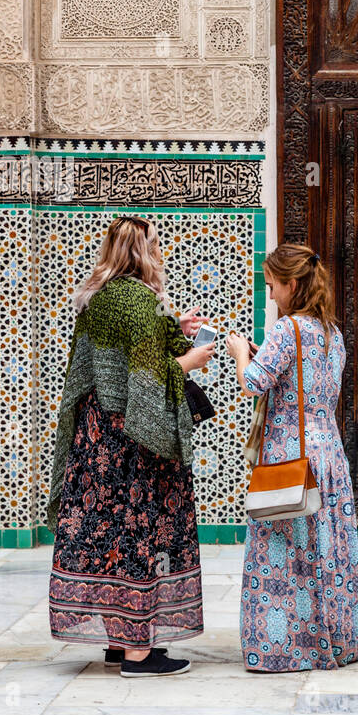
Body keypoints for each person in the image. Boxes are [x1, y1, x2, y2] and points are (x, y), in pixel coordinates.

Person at [46, 216, 214, 678]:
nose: (161, 254)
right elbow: (148, 381)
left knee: (108, 536)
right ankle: (139, 655)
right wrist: (190, 359)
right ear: (145, 251)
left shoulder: (96, 298)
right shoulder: (141, 300)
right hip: (135, 443)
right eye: (157, 246)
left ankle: (119, 642)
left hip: (95, 438)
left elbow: (112, 363)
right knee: (140, 532)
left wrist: (172, 327)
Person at [226, 243, 358, 672]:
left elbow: (252, 381)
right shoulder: (332, 333)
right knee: (326, 551)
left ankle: (285, 647)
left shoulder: (288, 330)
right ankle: (335, 642)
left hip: (291, 456)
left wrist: (239, 353)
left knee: (283, 553)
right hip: (329, 455)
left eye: (272, 286)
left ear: (292, 284)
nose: (270, 295)